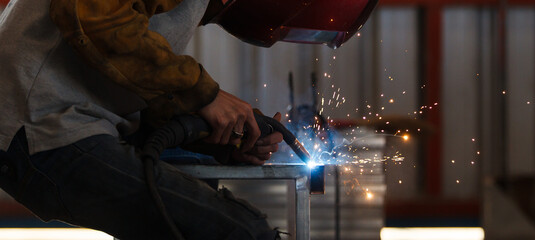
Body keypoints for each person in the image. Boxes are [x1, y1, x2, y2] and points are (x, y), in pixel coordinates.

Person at [0, 0, 376, 239]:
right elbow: (92, 17)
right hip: (39, 126)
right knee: (237, 232)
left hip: (71, 120)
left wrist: (215, 133)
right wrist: (204, 93)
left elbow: (123, 76)